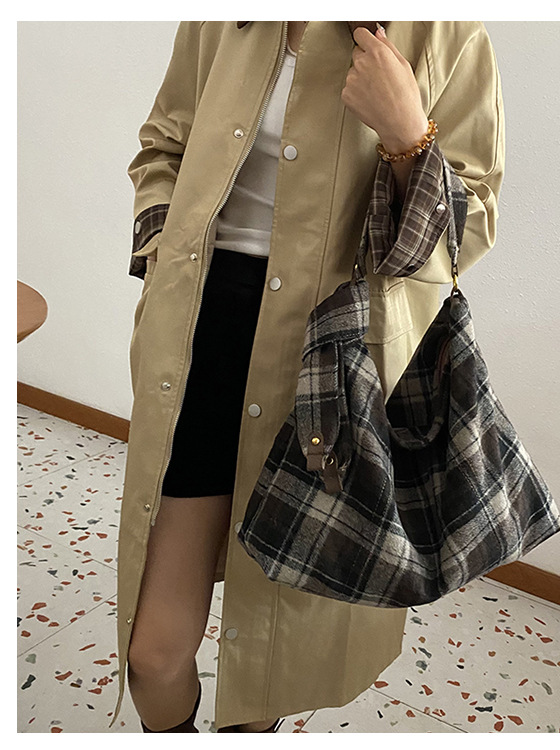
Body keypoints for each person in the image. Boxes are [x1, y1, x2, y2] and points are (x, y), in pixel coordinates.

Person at [111, 21, 504, 733]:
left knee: (267, 668)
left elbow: (470, 227)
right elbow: (163, 145)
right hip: (199, 342)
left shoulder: (443, 33)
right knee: (153, 655)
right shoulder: (221, 20)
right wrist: (163, 246)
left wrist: (408, 136)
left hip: (326, 366)